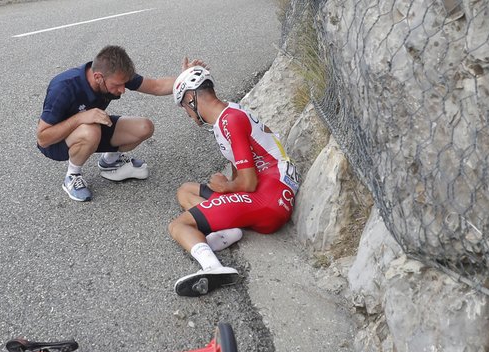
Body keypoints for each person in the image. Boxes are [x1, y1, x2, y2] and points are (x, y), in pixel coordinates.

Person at [167, 66, 299, 297]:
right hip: (270, 191)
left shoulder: (230, 121)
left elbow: (247, 184)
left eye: (184, 107)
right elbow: (242, 171)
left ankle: (213, 268)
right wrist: (228, 187)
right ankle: (229, 229)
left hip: (268, 198)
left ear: (191, 98)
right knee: (185, 191)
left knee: (178, 225)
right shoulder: (228, 114)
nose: (187, 114)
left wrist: (226, 187)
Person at [37, 46, 205, 202]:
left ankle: (110, 162)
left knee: (145, 127)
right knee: (91, 130)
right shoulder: (64, 87)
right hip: (58, 142)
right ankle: (72, 176)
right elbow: (43, 139)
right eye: (118, 85)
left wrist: (184, 78)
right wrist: (81, 118)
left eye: (125, 84)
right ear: (98, 78)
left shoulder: (115, 75)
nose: (123, 90)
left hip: (92, 127)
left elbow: (155, 86)